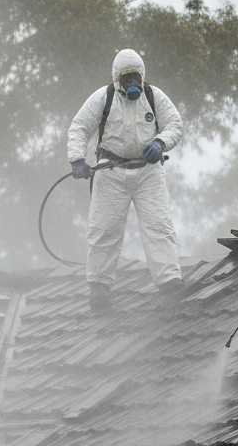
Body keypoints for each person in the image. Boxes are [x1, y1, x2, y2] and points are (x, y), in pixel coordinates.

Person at [67, 48, 185, 310]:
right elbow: (80, 127)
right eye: (126, 78)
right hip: (110, 171)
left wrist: (160, 142)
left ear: (142, 77)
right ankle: (99, 288)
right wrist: (77, 158)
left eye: (136, 78)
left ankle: (170, 284)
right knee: (104, 230)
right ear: (117, 78)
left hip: (148, 174)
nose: (132, 83)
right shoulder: (103, 98)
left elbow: (174, 124)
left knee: (159, 226)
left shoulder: (153, 97)